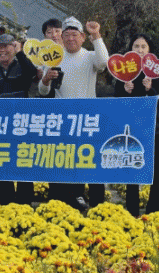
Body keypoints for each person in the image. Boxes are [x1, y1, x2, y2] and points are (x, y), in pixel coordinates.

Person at [39, 16, 109, 211]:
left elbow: (104, 63)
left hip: (87, 117)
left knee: (89, 159)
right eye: (67, 35)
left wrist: (97, 35)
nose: (70, 39)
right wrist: (45, 79)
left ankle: (94, 202)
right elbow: (43, 91)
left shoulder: (90, 56)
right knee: (63, 158)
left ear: (82, 37)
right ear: (62, 37)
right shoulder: (54, 57)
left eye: (74, 35)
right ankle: (61, 200)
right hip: (61, 117)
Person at [113, 33, 159, 217]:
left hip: (155, 127)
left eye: (143, 46)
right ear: (131, 49)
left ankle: (153, 209)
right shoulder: (124, 72)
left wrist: (150, 89)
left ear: (149, 49)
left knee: (156, 170)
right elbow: (117, 100)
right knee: (132, 167)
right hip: (132, 128)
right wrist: (125, 90)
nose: (140, 50)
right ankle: (132, 209)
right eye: (136, 46)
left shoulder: (158, 71)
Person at [0, 33, 39, 205]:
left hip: (21, 121)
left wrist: (20, 53)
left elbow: (32, 73)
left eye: (6, 46)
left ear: (14, 47)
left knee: (23, 160)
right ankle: (6, 202)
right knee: (2, 160)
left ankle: (25, 202)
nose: (2, 50)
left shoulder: (21, 64)